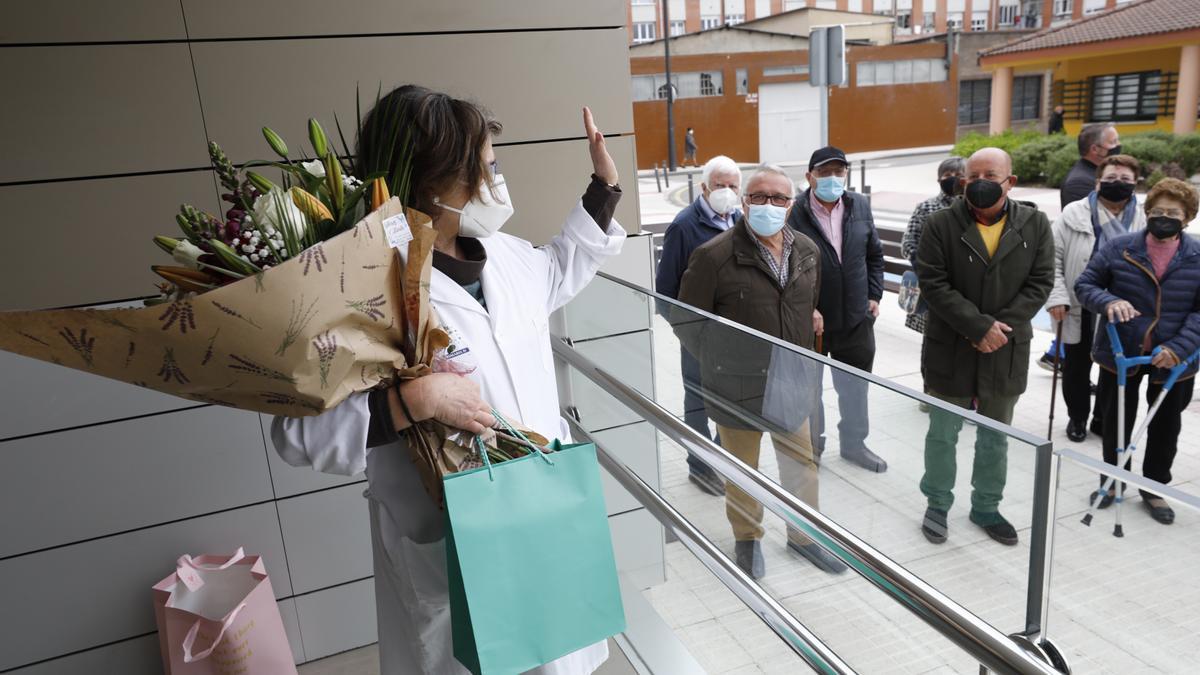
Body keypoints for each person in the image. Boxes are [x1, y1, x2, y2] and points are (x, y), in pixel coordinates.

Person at [270, 85, 626, 675]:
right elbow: (296, 435)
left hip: (540, 502)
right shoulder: (361, 285)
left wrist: (603, 190)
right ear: (436, 182)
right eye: (486, 165)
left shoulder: (505, 255)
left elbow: (558, 270)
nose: (495, 179)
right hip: (446, 531)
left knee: (556, 652)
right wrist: (411, 401)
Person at [675, 164, 846, 578]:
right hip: (737, 387)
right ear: (745, 201)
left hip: (793, 380)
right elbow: (686, 320)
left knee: (801, 466)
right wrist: (721, 360)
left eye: (779, 198)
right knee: (742, 470)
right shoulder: (713, 255)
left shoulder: (806, 250)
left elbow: (807, 305)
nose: (769, 204)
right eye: (760, 196)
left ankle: (804, 537)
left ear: (791, 205)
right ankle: (747, 539)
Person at [915, 147, 1054, 547]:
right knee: (943, 433)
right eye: (971, 175)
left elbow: (1041, 282)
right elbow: (933, 282)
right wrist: (977, 327)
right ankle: (937, 503)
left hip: (1005, 349)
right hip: (951, 347)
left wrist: (999, 329)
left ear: (1010, 181)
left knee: (996, 436)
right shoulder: (941, 223)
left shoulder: (1035, 224)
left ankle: (986, 507)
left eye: (990, 175)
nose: (978, 182)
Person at [1074, 177, 1200, 525]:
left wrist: (1179, 348)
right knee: (1117, 422)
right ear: (1146, 213)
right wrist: (1109, 300)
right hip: (1122, 352)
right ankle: (1112, 482)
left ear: (1187, 217)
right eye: (1157, 210)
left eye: (1173, 212)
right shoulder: (1120, 247)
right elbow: (1086, 284)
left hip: (1175, 359)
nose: (1163, 217)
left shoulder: (1197, 256)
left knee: (1165, 426)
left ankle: (1154, 487)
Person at [786, 146, 887, 473]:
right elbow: (782, 267)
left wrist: (874, 294)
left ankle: (854, 444)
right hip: (811, 322)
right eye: (824, 172)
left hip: (857, 319)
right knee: (809, 391)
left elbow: (874, 255)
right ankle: (813, 447)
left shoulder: (859, 205)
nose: (832, 178)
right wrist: (806, 307)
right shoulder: (794, 212)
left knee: (855, 388)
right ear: (809, 176)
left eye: (838, 171)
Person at [655, 155, 743, 496]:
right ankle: (699, 466)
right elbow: (665, 291)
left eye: (733, 186)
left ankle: (721, 460)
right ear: (704, 186)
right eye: (720, 185)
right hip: (698, 336)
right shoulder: (684, 225)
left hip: (734, 336)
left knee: (729, 401)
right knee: (698, 402)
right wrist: (689, 332)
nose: (727, 192)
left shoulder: (739, 219)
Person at [1046, 155, 1145, 442]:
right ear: (1098, 181)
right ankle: (1077, 417)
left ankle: (1103, 417)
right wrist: (1057, 297)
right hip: (1079, 304)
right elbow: (1051, 258)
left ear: (1136, 184)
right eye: (1111, 178)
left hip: (1125, 309)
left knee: (1113, 369)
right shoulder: (1074, 213)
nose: (1118, 184)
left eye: (1126, 180)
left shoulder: (1145, 216)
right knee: (1076, 367)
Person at [1040, 123, 1121, 372]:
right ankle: (1057, 355)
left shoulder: (1091, 176)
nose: (1119, 145)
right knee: (1079, 350)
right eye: (1114, 141)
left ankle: (1057, 354)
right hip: (1083, 283)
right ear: (1096, 149)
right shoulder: (1080, 183)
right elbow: (1078, 235)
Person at [901, 157, 965, 336]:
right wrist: (925, 268)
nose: (952, 178)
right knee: (934, 339)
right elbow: (908, 243)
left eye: (959, 175)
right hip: (931, 284)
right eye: (947, 174)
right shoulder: (926, 207)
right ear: (939, 179)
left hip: (965, 288)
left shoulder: (974, 209)